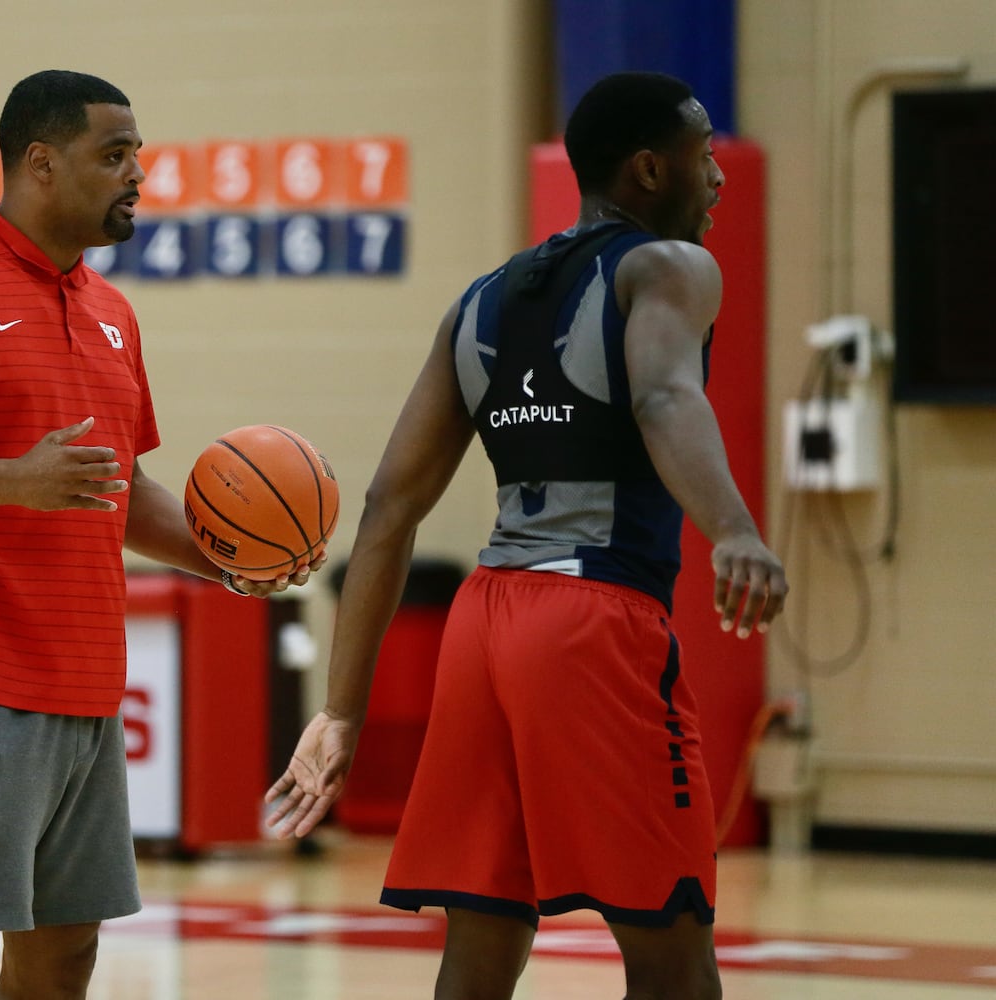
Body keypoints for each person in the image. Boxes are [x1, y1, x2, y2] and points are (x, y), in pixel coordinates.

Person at [267, 71, 789, 1000]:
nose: (715, 178)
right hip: (591, 621)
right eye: (701, 157)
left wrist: (338, 709)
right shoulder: (669, 267)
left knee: (480, 935)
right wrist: (734, 530)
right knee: (672, 947)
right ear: (645, 169)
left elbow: (388, 506)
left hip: (482, 627)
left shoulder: (481, 300)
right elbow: (665, 393)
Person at [0, 70, 316, 1000]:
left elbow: (116, 491)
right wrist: (13, 479)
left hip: (81, 683)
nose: (137, 177)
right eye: (113, 156)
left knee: (62, 953)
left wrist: (238, 560)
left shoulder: (110, 311)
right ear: (39, 163)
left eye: (139, 157)